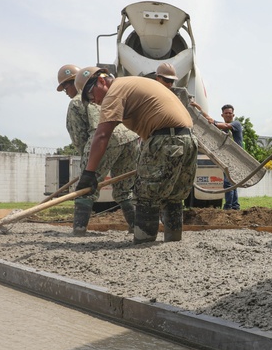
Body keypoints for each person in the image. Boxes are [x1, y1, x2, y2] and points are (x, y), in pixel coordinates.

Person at [74, 67, 197, 244]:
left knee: (146, 197)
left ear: (101, 81)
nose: (95, 101)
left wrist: (89, 174)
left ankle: (144, 243)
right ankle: (173, 241)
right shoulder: (131, 84)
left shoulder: (114, 92)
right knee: (173, 197)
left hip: (164, 140)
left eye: (92, 96)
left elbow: (102, 135)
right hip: (189, 140)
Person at [56, 64, 140, 235]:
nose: (66, 93)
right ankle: (137, 228)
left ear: (72, 84)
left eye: (65, 88)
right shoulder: (107, 91)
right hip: (131, 139)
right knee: (124, 190)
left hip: (104, 138)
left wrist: (88, 167)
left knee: (85, 190)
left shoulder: (77, 102)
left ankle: (79, 231)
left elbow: (79, 137)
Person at [198, 104, 243, 210]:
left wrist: (212, 122)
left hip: (235, 158)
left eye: (230, 113)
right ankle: (235, 206)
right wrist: (198, 107)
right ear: (222, 115)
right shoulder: (221, 124)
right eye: (226, 113)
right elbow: (210, 119)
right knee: (232, 182)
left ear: (233, 115)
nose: (228, 115)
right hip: (226, 158)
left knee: (228, 183)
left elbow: (224, 126)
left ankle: (228, 207)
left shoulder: (235, 124)